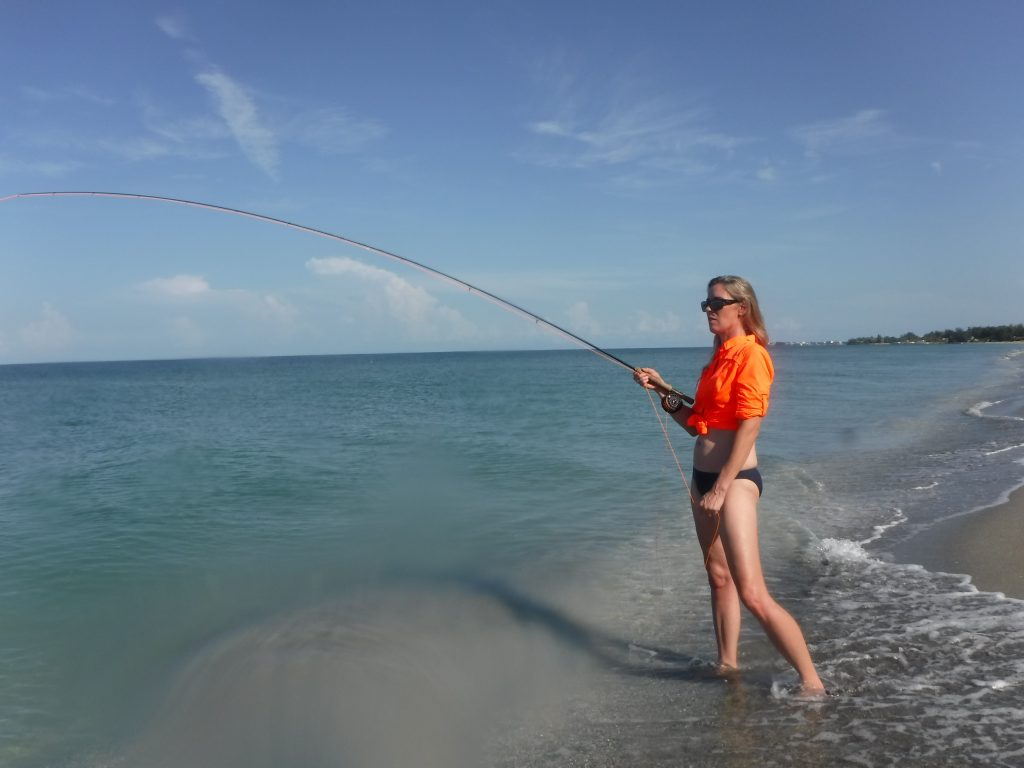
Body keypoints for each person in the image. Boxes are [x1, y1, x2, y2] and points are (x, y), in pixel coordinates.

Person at [634, 275, 824, 693]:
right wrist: (663, 393)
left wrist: (720, 487)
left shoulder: (751, 357)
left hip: (733, 481)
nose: (708, 309)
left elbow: (749, 429)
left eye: (716, 303)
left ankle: (813, 685)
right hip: (704, 479)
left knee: (753, 593)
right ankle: (727, 666)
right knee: (718, 578)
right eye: (705, 302)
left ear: (742, 307)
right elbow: (697, 426)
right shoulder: (717, 360)